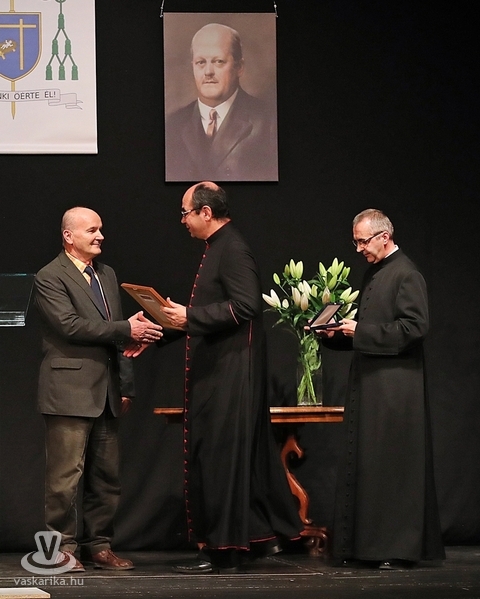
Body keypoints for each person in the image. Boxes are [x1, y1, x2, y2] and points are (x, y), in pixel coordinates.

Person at [157, 182, 302, 573]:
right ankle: (252, 541)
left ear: (206, 212)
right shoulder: (218, 247)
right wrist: (162, 327)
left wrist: (189, 316)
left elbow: (245, 305)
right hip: (222, 372)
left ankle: (225, 550)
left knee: (222, 461)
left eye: (185, 212)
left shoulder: (232, 247)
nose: (183, 220)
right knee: (222, 459)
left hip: (232, 375)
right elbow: (212, 311)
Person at [34, 207, 163, 572]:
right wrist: (127, 328)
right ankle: (59, 550)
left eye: (101, 229)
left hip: (106, 391)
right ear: (68, 236)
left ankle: (99, 546)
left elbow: (118, 337)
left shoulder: (106, 274)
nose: (100, 236)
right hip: (68, 390)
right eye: (92, 230)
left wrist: (126, 385)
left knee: (106, 478)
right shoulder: (49, 276)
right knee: (64, 479)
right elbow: (70, 326)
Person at [317, 209, 445, 570]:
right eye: (356, 242)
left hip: (395, 391)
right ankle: (365, 547)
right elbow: (366, 331)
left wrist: (359, 331)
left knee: (392, 468)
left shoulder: (407, 273)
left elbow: (414, 328)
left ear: (384, 236)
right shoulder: (375, 273)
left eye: (363, 241)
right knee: (370, 466)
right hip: (371, 384)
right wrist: (335, 334)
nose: (359, 249)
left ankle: (396, 548)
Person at [165, 22, 277, 182]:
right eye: (201, 62)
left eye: (218, 61)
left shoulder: (269, 122)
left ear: (239, 67)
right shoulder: (173, 123)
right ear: (193, 67)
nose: (208, 72)